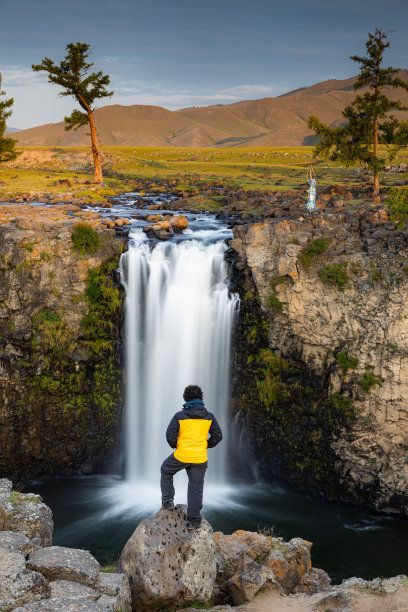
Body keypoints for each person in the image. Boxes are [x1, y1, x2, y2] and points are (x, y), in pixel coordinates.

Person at [160, 384, 223, 529]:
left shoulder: (179, 416)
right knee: (196, 488)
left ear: (185, 398)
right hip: (200, 458)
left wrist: (177, 445)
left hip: (182, 455)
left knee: (166, 470)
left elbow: (170, 436)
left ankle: (168, 501)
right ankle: (194, 521)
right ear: (201, 398)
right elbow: (218, 436)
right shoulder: (209, 417)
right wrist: (205, 445)